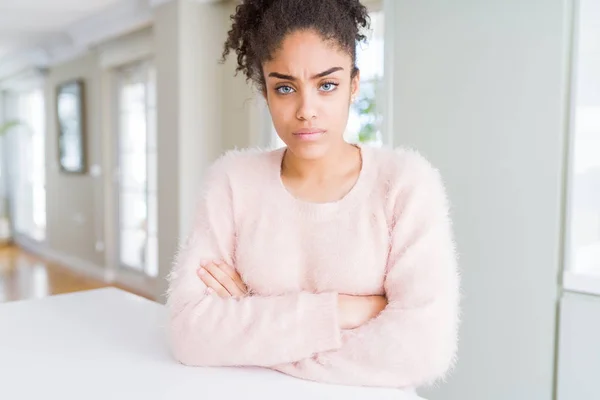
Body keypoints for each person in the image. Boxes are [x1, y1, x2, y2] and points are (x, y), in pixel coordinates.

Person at [166, 0, 460, 391]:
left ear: (354, 85)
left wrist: (252, 332)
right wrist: (346, 310)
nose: (306, 110)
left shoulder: (405, 183)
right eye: (285, 87)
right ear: (265, 91)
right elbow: (191, 334)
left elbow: (422, 349)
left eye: (327, 85)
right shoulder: (232, 182)